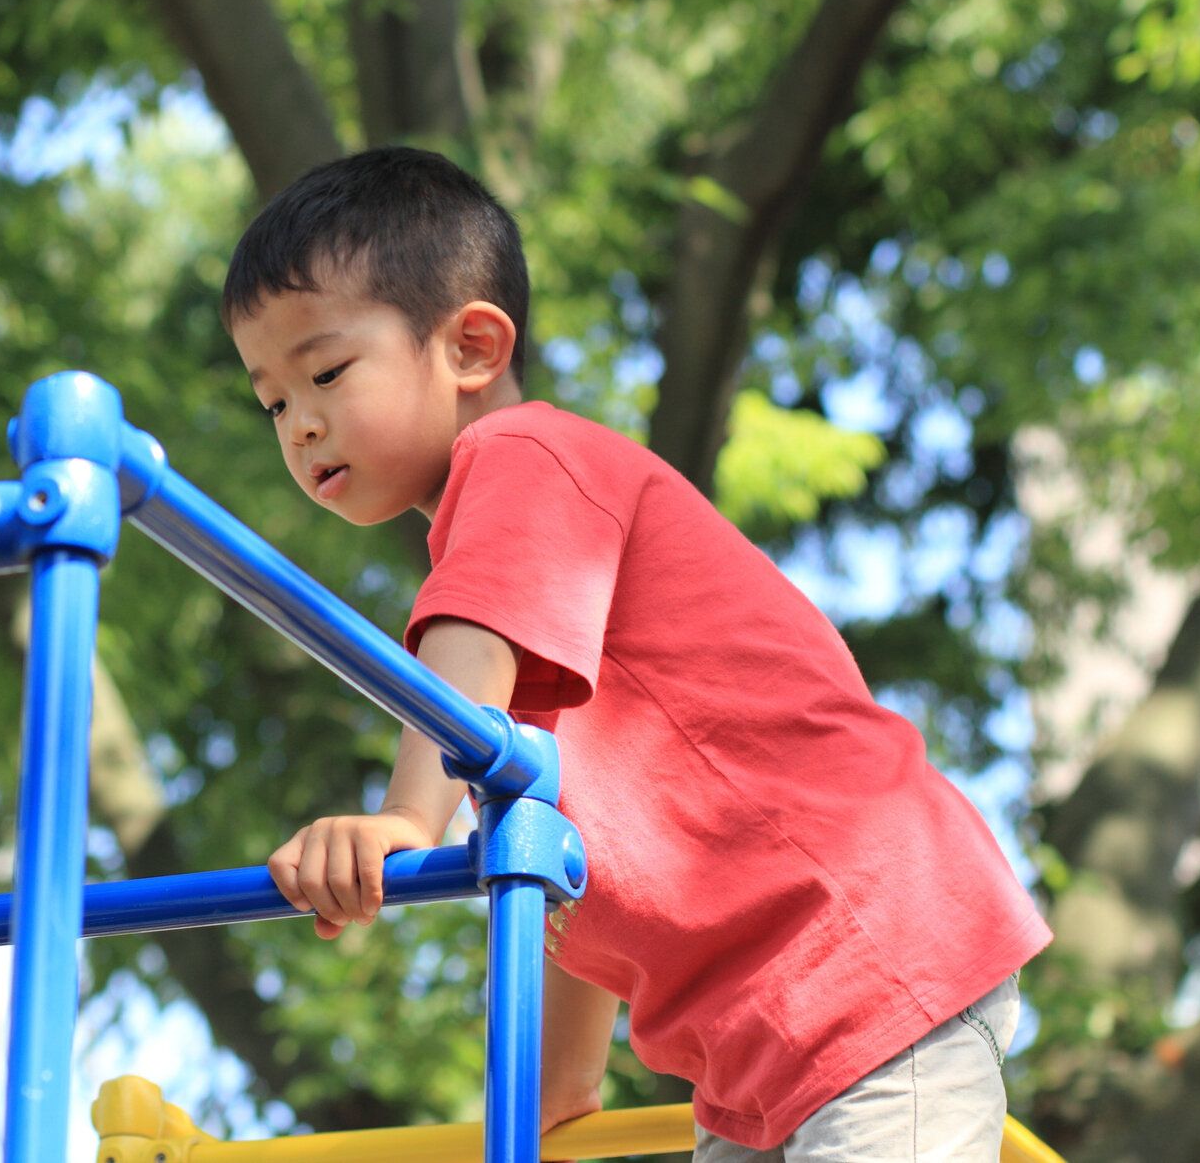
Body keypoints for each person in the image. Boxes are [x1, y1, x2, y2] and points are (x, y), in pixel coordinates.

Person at [222, 146, 1051, 1161]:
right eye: (272, 402)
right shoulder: (523, 640)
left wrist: (405, 816)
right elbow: (566, 860)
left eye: (326, 372)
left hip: (866, 958)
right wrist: (551, 1094)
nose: (300, 424)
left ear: (473, 346)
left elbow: (456, 671)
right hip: (758, 1044)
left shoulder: (525, 460)